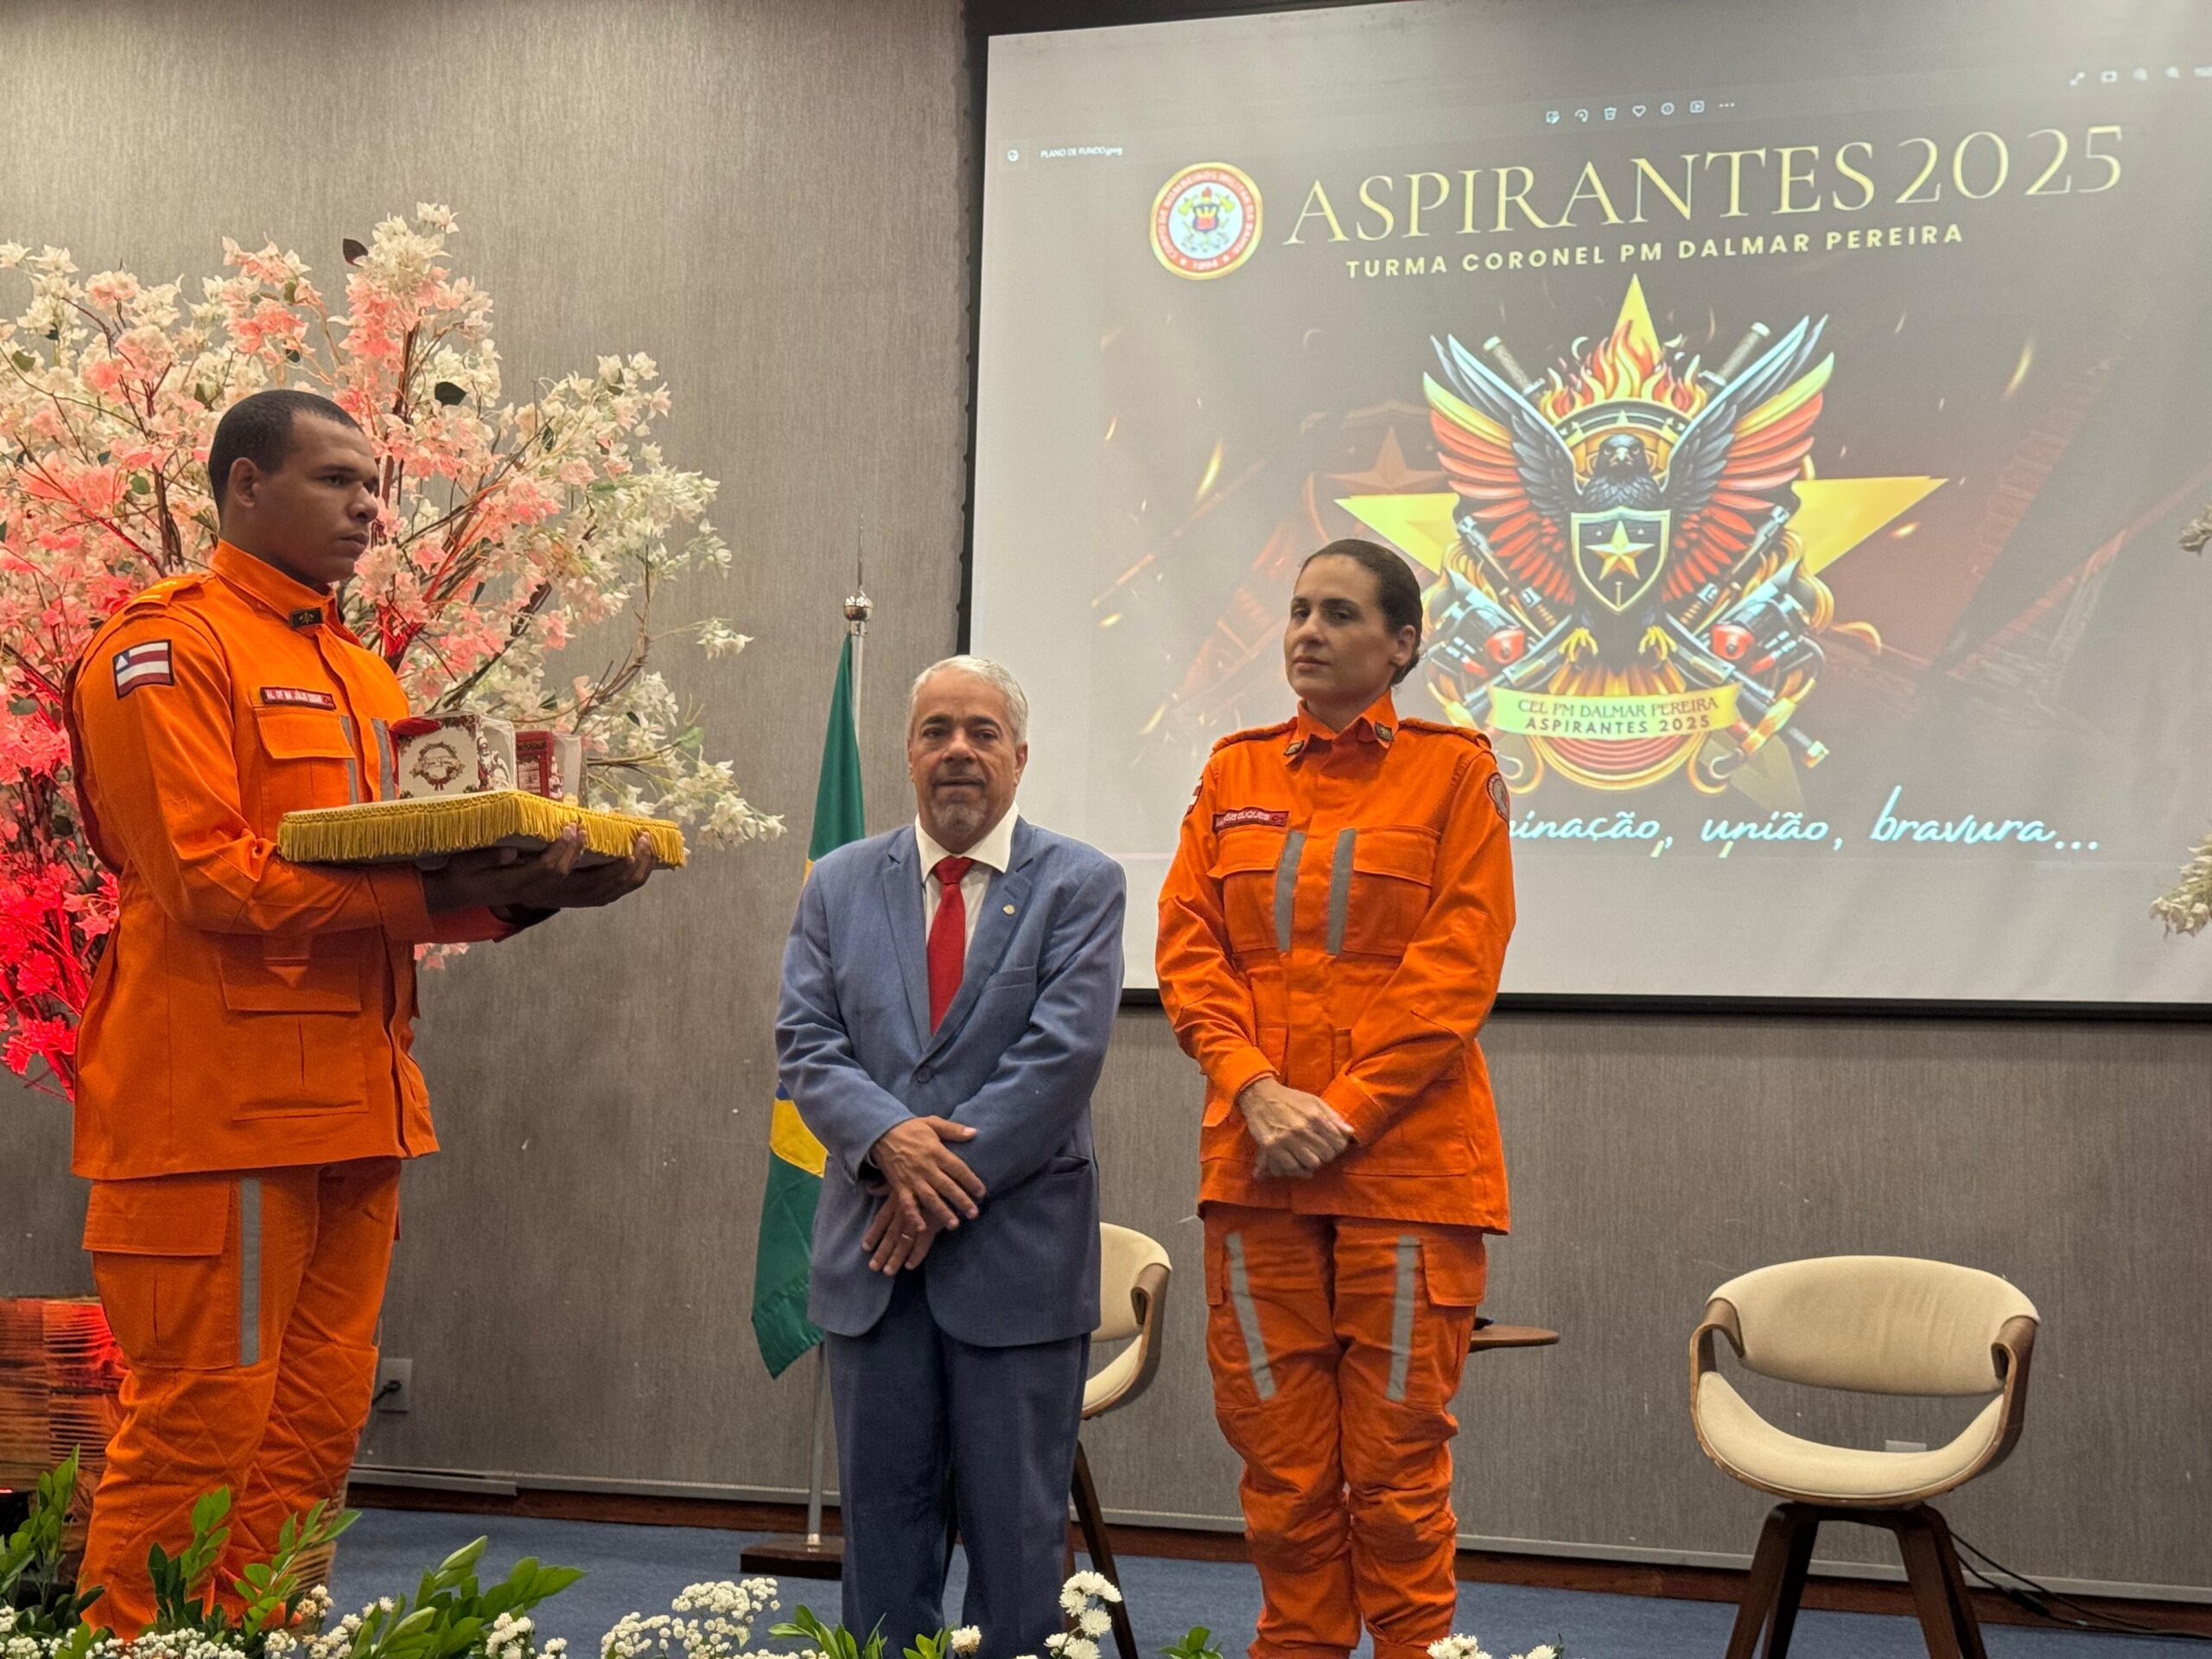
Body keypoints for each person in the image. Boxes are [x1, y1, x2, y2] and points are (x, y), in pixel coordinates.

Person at [65, 390, 658, 1632]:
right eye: (336, 480)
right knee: (199, 1431)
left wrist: (532, 892)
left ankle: (261, 1640)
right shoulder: (162, 648)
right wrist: (435, 891)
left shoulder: (358, 669)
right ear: (243, 486)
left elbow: (404, 878)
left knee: (313, 1431)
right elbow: (208, 879)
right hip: (219, 1121)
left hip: (356, 1105)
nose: (370, 509)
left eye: (375, 486)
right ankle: (142, 1649)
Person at [1155, 538, 1516, 1659]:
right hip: (1256, 1168)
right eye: (1299, 609)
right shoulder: (1234, 773)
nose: (1308, 631)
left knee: (1396, 1478)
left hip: (1406, 1173)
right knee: (1282, 1471)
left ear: (1401, 644)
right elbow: (1189, 952)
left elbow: (1455, 970)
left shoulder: (1455, 773)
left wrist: (1341, 1109)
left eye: (1340, 614)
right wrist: (1256, 1091)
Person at [777, 655, 1124, 1657]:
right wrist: (888, 1141)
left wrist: (924, 1186)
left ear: (1020, 756)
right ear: (908, 753)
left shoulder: (1081, 885)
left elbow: (1060, 1059)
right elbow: (806, 1042)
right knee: (883, 1548)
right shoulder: (838, 884)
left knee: (1017, 1551)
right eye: (936, 731)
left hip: (1015, 1266)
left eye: (981, 732)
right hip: (874, 1275)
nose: (958, 750)